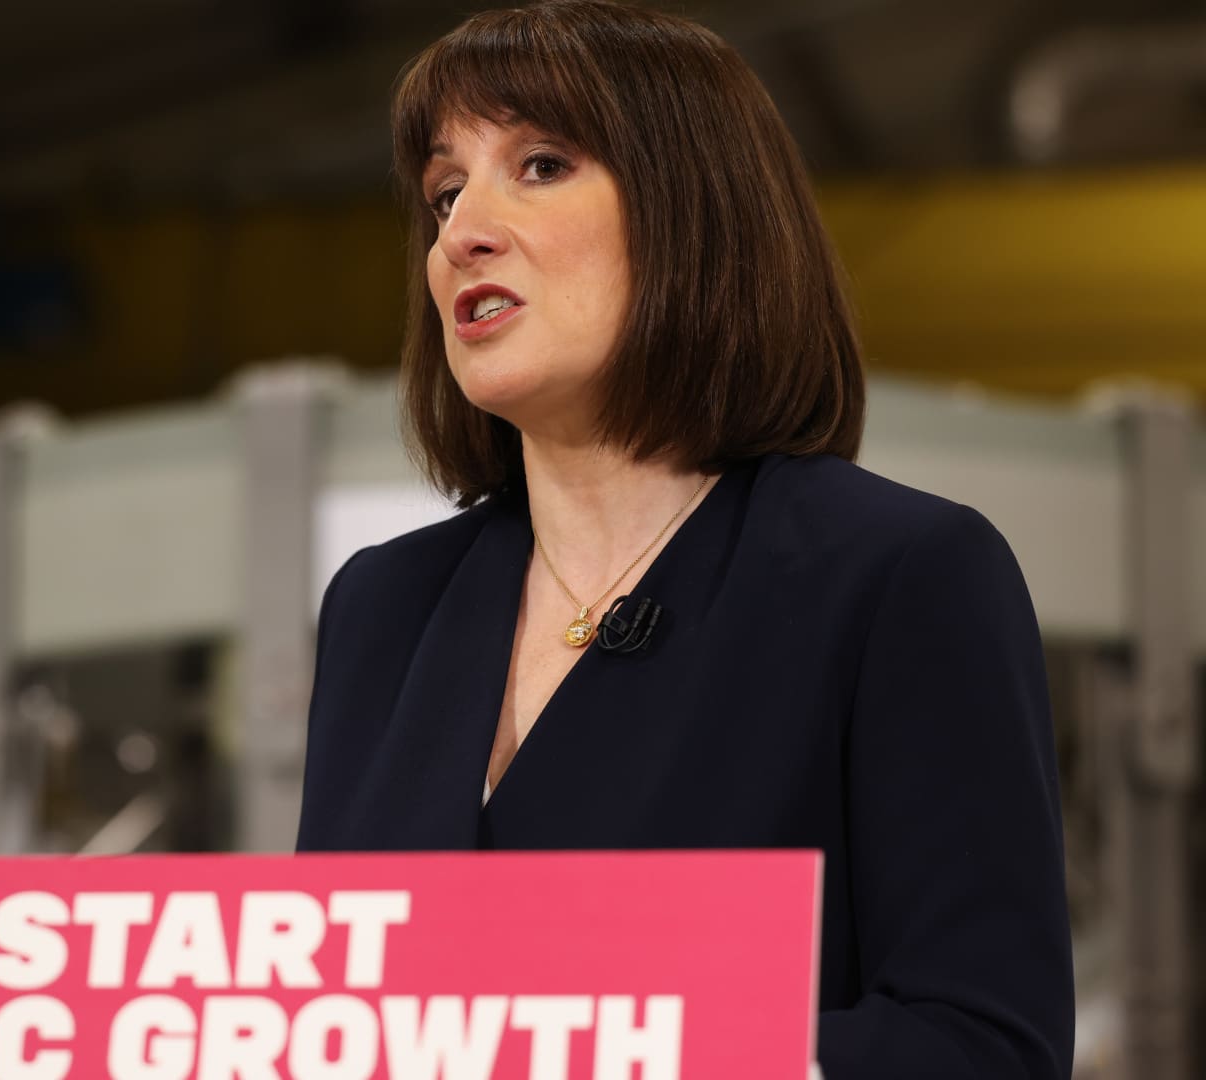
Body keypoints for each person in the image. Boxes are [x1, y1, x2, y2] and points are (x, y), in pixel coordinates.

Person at [294, 2, 1074, 1077]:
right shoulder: (382, 607)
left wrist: (616, 1053)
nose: (462, 228)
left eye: (540, 163)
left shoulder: (900, 573)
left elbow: (982, 1044)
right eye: (442, 191)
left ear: (693, 210)